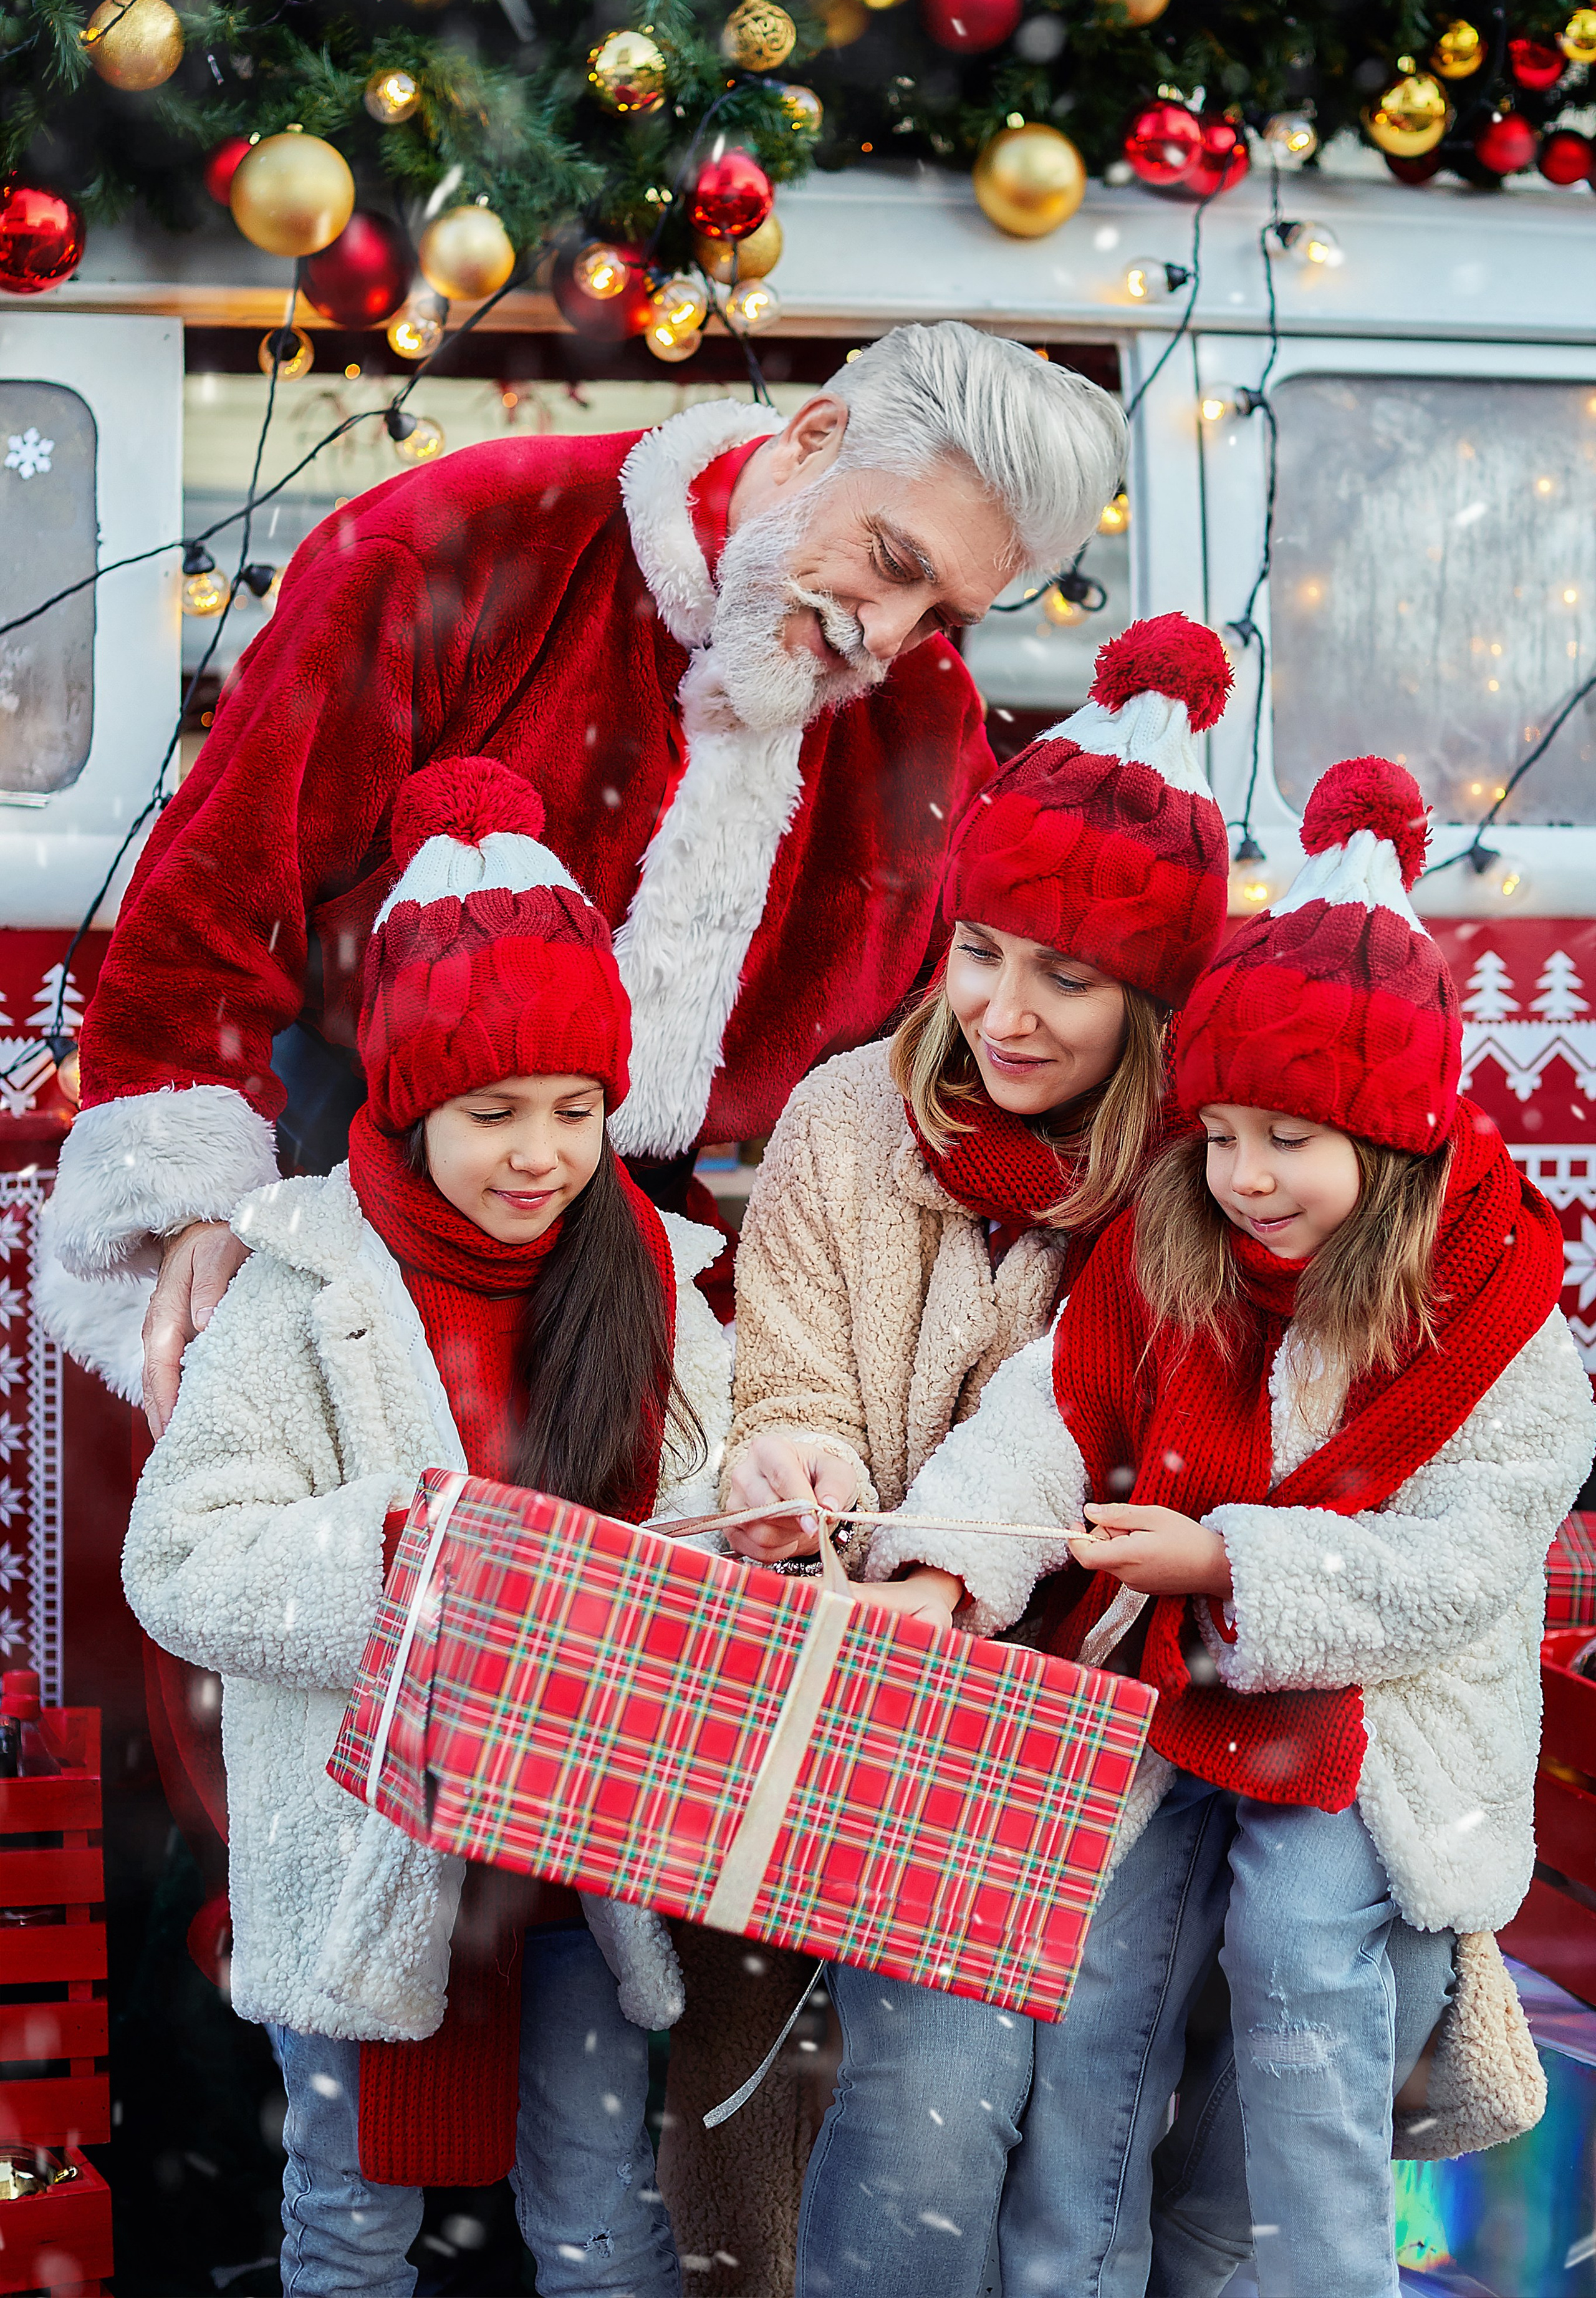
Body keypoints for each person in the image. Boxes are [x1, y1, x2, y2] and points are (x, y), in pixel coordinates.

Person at [39, 324, 1125, 1430]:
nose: (888, 638)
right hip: (346, 1162)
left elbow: (933, 1032)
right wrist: (196, 1206)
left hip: (650, 1244)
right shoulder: (461, 543)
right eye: (894, 561)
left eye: (942, 613)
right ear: (811, 437)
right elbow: (221, 884)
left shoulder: (925, 712)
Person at [870, 756, 1591, 2298]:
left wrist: (1229, 1561)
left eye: (1294, 1142)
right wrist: (948, 1565)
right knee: (1085, 1982)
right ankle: (1071, 2270)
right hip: (1169, 1686)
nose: (1247, 1179)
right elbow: (1048, 1424)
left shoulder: (1496, 1320)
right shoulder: (1169, 1249)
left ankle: (1318, 2278)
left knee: (1305, 1977)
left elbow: (1461, 1568)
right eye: (1222, 1133)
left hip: (1372, 1714)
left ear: (1392, 1147)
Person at [120, 759, 733, 2298]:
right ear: (406, 1095)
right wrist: (404, 1555)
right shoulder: (299, 1286)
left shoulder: (647, 1277)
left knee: (601, 2221)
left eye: (576, 1107)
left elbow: (704, 1517)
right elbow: (180, 1557)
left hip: (576, 1848)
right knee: (347, 2222)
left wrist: (742, 1536)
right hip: (365, 1841)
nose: (539, 1152)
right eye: (493, 1110)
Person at [692, 614, 1240, 2298]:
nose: (1004, 1010)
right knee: (931, 2102)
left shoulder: (1208, 1175)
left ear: (1152, 1000)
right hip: (908, 1705)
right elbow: (785, 1368)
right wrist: (787, 1466)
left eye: (1067, 978)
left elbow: (1172, 1438)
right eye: (982, 949)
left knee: (1108, 2132)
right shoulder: (847, 1123)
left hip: (1137, 1721)